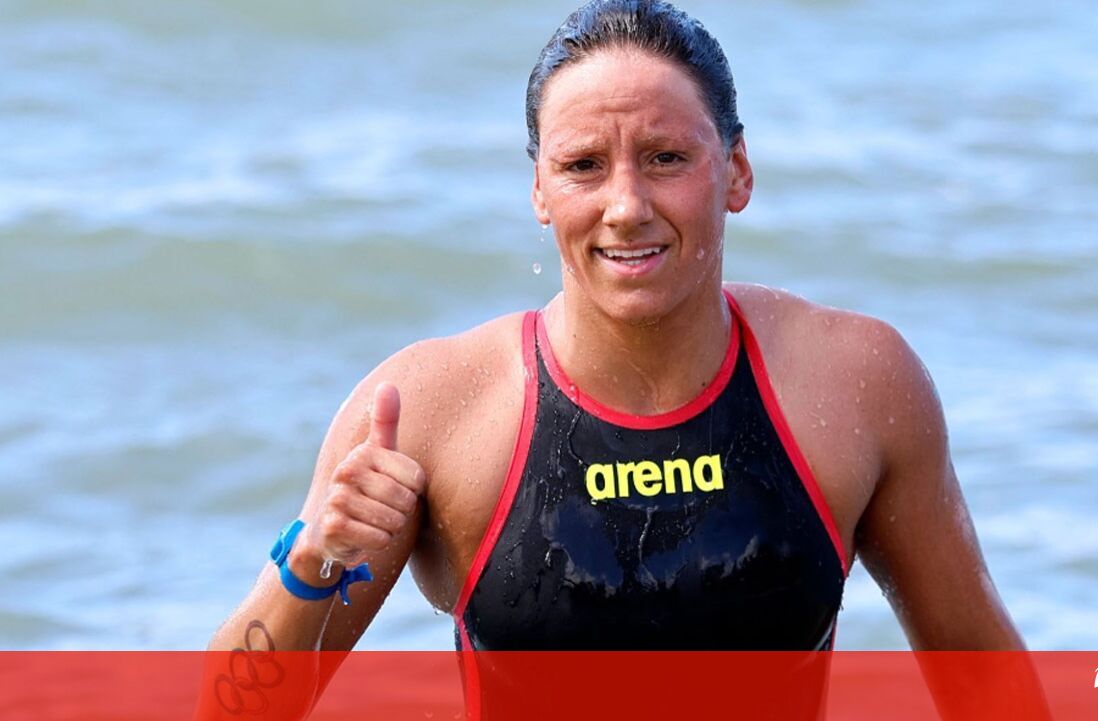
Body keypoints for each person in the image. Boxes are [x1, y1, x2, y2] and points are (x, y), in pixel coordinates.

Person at [207, 0, 1027, 713]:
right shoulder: (430, 411)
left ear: (737, 171)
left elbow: (989, 688)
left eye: (666, 158)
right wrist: (312, 565)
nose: (626, 206)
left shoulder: (854, 385)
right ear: (539, 190)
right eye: (583, 166)